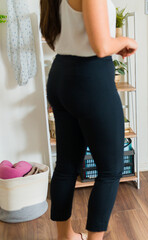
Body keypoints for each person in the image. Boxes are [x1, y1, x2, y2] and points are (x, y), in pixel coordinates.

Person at [40, 0, 137, 239]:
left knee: (66, 165)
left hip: (61, 74)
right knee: (110, 169)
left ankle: (65, 236)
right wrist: (126, 41)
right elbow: (102, 46)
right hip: (90, 79)